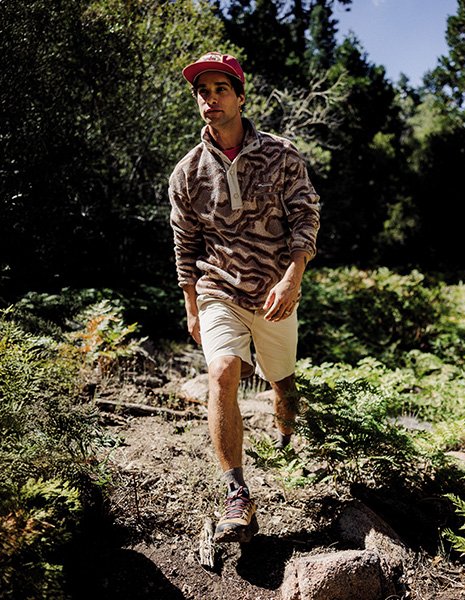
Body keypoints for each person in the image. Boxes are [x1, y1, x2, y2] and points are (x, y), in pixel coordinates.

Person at [168, 51, 320, 544]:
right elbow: (185, 244)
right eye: (202, 92)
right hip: (218, 289)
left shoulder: (281, 154)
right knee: (222, 372)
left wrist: (292, 277)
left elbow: (306, 216)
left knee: (284, 386)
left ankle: (286, 442)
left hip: (275, 292)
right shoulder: (187, 173)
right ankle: (237, 495)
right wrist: (192, 305)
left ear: (240, 97)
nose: (210, 99)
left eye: (220, 90)